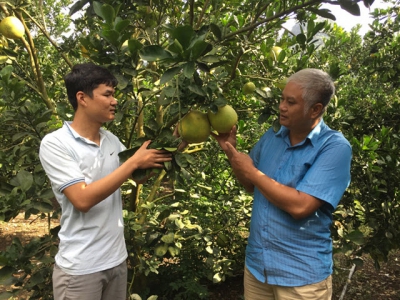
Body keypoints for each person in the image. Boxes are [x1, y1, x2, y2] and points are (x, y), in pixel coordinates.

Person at [212, 68, 352, 299]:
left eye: (291, 102)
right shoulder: (273, 135)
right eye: (282, 99)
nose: (281, 107)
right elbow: (251, 185)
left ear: (315, 109)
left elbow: (301, 206)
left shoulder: (334, 147)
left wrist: (253, 172)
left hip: (301, 277)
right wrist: (231, 151)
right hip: (258, 269)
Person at [39, 63, 172, 300]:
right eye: (107, 94)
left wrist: (175, 147)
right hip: (81, 269)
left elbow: (137, 176)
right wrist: (133, 162)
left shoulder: (110, 140)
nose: (115, 101)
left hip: (116, 261)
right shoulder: (56, 143)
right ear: (83, 98)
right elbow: (82, 199)